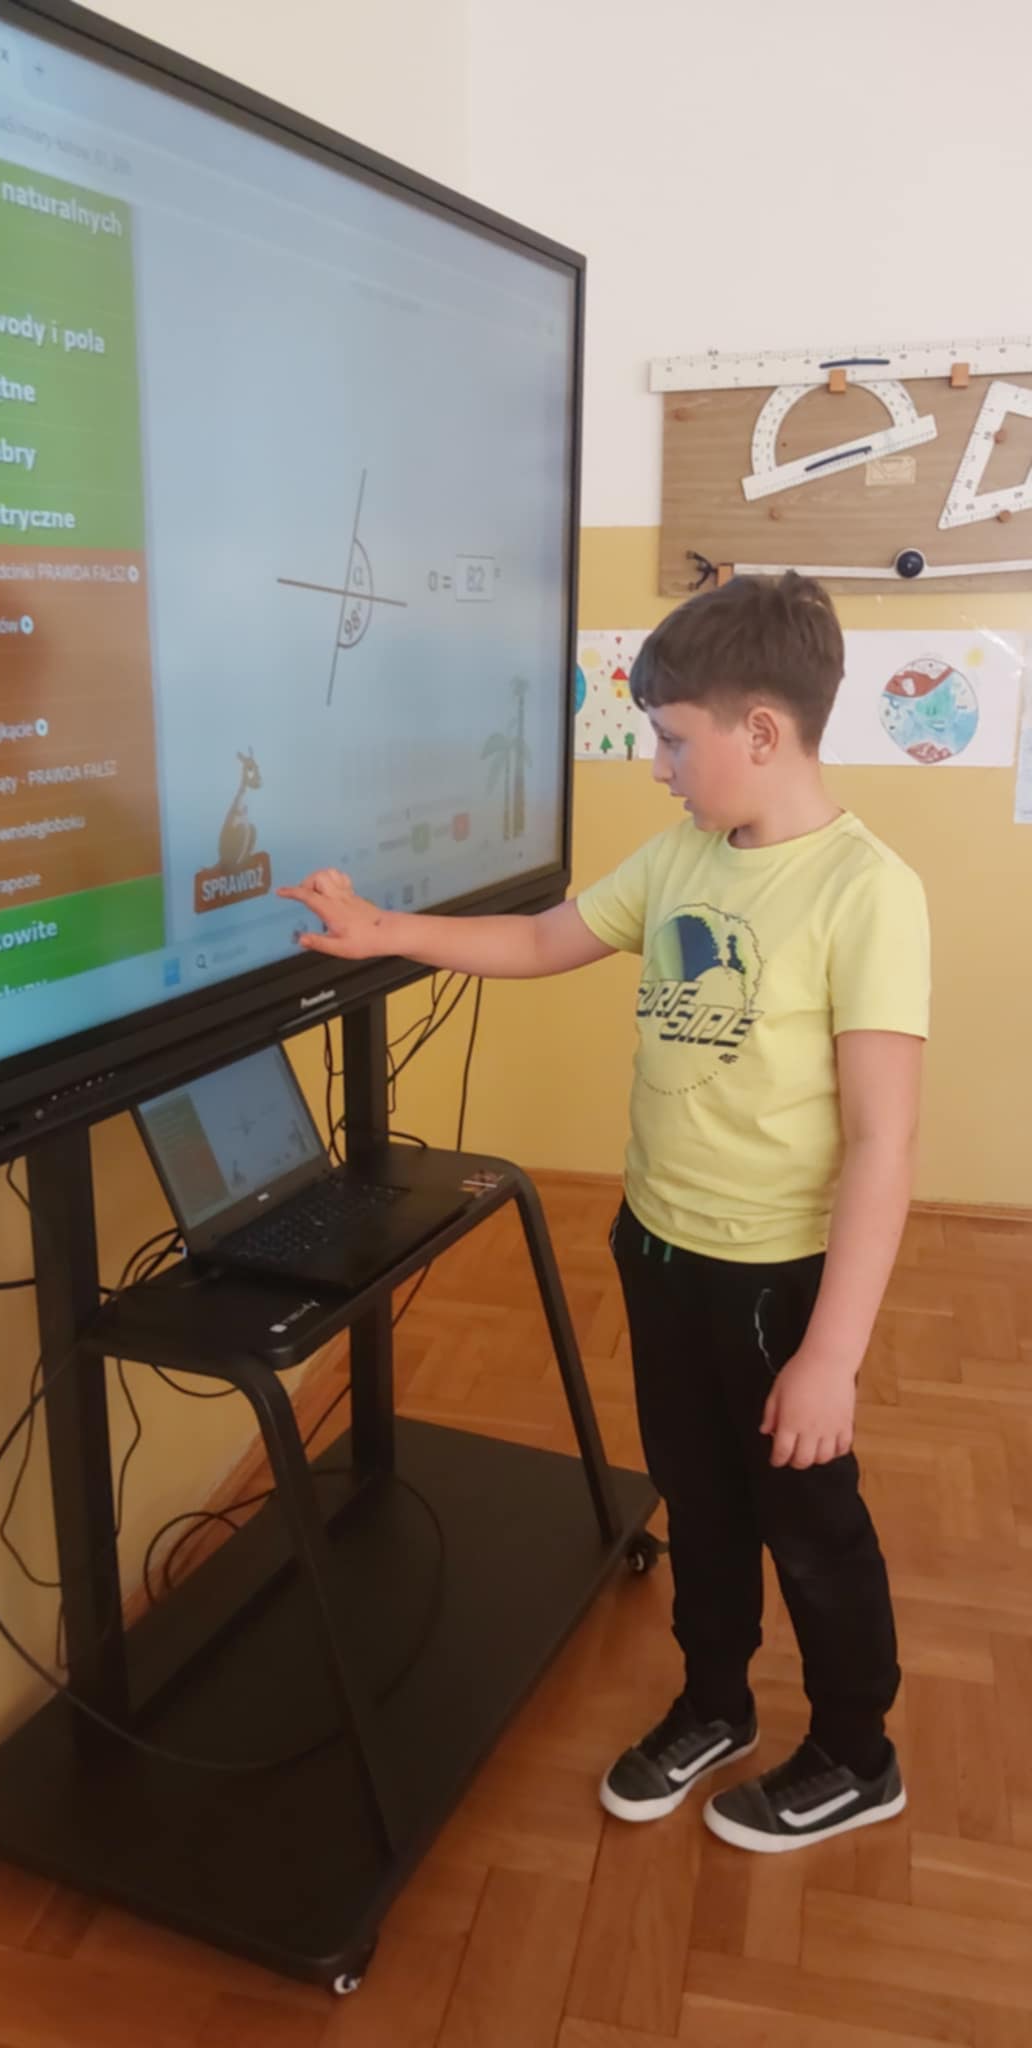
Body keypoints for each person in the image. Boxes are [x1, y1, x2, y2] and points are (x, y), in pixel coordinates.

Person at [278, 571, 930, 1854]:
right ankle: (715, 1700)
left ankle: (859, 1750)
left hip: (777, 1284)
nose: (656, 766)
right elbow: (540, 941)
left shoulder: (868, 890)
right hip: (660, 1248)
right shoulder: (682, 858)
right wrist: (383, 928)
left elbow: (883, 1140)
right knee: (698, 1494)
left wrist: (831, 1354)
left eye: (672, 740)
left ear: (760, 731)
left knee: (810, 1525)